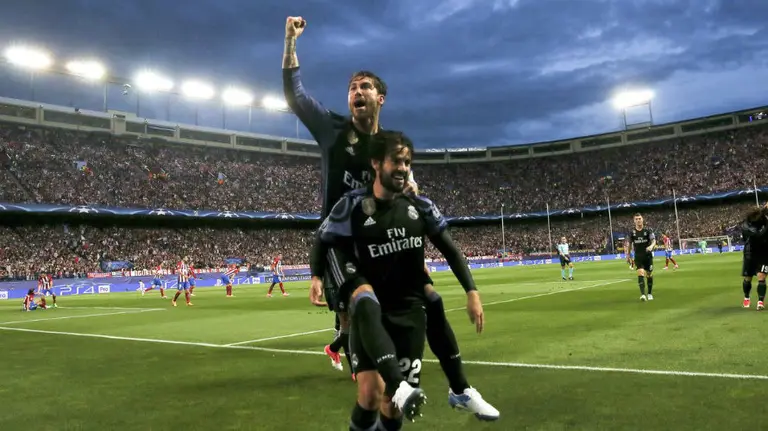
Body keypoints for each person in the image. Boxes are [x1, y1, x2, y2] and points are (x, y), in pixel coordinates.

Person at [282, 18, 497, 419]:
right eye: (352, 87)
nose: (356, 92)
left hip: (385, 237)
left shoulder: (390, 144)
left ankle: (458, 387)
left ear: (381, 98)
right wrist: (290, 42)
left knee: (429, 298)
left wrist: (410, 182)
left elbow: (404, 176)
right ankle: (375, 370)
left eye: (365, 86)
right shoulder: (333, 131)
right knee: (360, 323)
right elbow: (294, 95)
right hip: (344, 241)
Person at [319, 131, 496, 428]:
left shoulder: (420, 207)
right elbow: (324, 240)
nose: (402, 167)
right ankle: (425, 387)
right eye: (396, 161)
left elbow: (450, 250)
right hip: (370, 311)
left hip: (408, 310)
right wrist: (315, 276)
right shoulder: (353, 205)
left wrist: (472, 291)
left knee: (392, 407)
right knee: (370, 395)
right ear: (376, 163)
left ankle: (459, 389)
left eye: (407, 162)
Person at [740, 205, 768, 310]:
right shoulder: (746, 227)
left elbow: (762, 212)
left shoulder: (760, 218)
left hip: (764, 253)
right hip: (750, 253)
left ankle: (760, 302)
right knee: (748, 278)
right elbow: (760, 235)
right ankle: (746, 298)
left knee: (761, 276)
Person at [630, 214, 656, 301]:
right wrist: (628, 255)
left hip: (648, 257)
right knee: (640, 273)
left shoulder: (648, 230)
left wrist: (651, 246)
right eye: (636, 219)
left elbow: (653, 241)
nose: (638, 220)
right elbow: (629, 244)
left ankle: (649, 293)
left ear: (642, 219)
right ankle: (643, 295)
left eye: (640, 218)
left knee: (649, 275)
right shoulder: (632, 232)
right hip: (638, 257)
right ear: (634, 221)